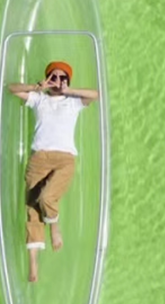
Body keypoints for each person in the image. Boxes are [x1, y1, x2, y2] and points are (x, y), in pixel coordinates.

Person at [7, 61, 99, 283]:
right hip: (39, 157)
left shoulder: (74, 103)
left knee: (47, 197)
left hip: (64, 159)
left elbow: (95, 95)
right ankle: (33, 265)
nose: (58, 81)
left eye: (62, 78)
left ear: (68, 81)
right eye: (54, 77)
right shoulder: (39, 99)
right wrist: (35, 86)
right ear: (48, 80)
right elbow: (11, 89)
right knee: (32, 209)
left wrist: (69, 90)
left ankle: (54, 227)